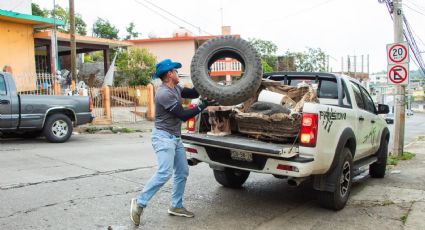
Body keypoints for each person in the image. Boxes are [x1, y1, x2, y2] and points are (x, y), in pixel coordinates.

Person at [130, 59, 216, 226]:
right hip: (163, 137)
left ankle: (176, 206)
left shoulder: (176, 87)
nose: (178, 73)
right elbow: (182, 115)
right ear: (169, 74)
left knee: (182, 171)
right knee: (164, 172)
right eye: (176, 71)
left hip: (175, 138)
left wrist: (205, 76)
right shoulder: (164, 93)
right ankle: (139, 203)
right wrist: (201, 107)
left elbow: (193, 93)